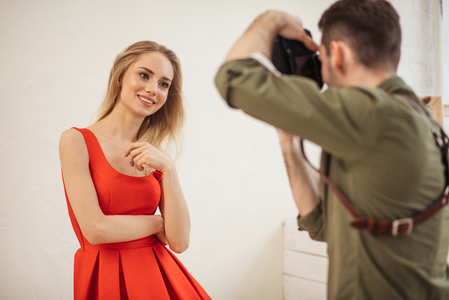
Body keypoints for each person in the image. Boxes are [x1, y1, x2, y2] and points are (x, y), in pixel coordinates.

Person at [214, 0, 449, 299]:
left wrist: (270, 19)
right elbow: (324, 225)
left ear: (337, 54)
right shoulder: (416, 115)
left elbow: (233, 77)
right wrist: (289, 142)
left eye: (320, 57)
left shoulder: (373, 115)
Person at [59, 41, 211, 300]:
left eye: (164, 84)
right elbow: (96, 230)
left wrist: (170, 169)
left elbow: (180, 241)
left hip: (163, 278)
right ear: (120, 77)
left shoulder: (153, 156)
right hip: (104, 275)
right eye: (144, 75)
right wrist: (158, 223)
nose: (153, 89)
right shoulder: (76, 141)